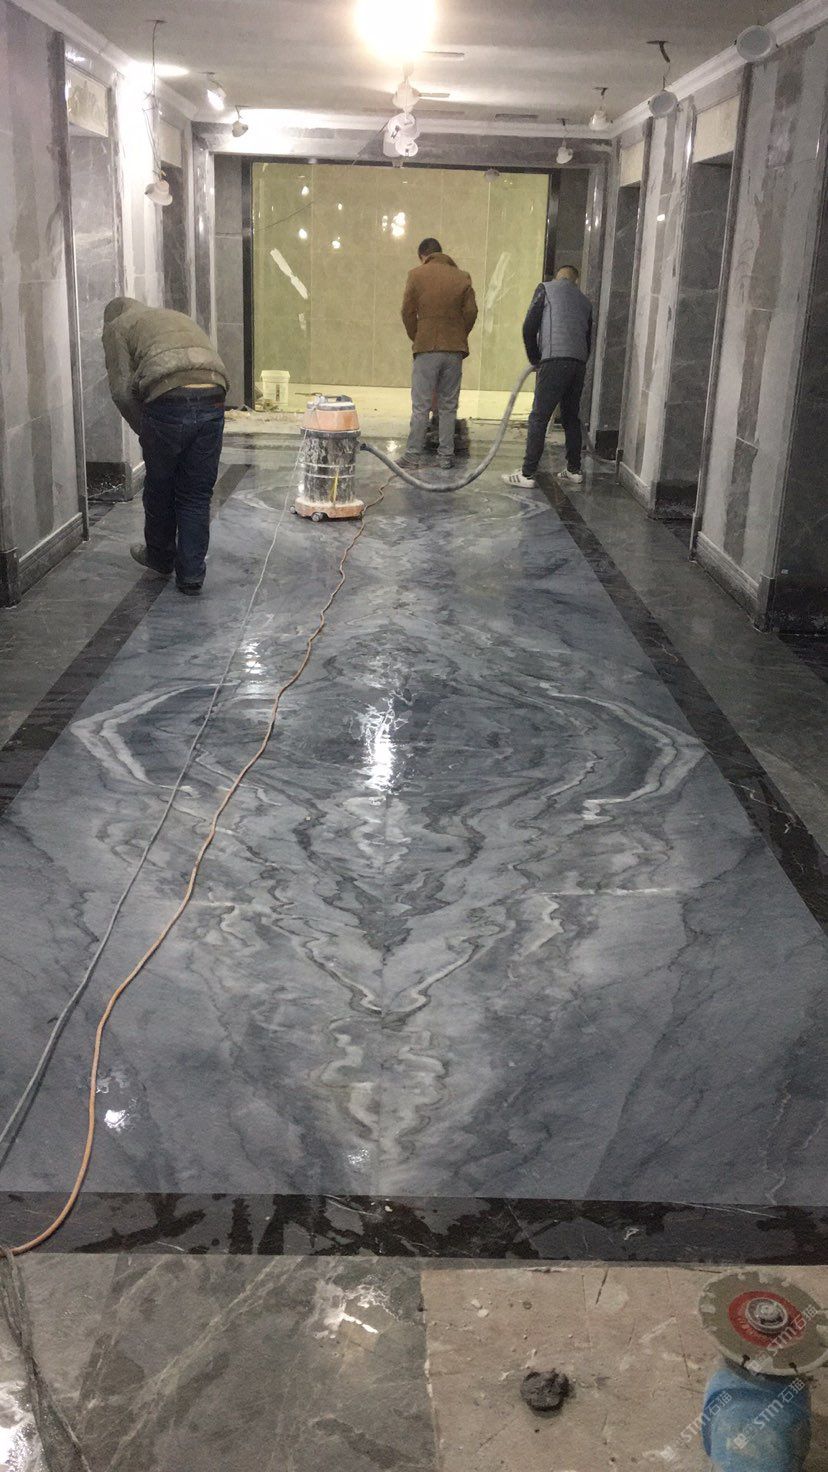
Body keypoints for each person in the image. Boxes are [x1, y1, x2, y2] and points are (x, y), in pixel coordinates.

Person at [102, 298, 229, 596]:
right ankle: (191, 575)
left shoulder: (116, 327)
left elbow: (121, 392)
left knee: (160, 485)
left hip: (169, 396)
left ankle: (159, 557)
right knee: (196, 493)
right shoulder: (168, 316)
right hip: (214, 392)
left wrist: (146, 429)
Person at [503, 265, 593, 490]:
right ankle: (574, 470)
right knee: (571, 417)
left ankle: (527, 473)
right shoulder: (585, 302)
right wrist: (579, 361)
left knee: (539, 417)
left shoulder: (545, 289)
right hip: (578, 363)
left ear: (557, 277)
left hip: (554, 360)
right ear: (575, 280)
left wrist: (536, 358)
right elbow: (588, 339)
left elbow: (528, 327)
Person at [398, 238, 478, 471]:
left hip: (427, 347)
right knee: (448, 405)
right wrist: (458, 334)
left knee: (421, 405)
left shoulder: (416, 274)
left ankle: (413, 456)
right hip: (454, 350)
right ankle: (445, 456)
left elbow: (407, 311)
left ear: (423, 256)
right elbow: (471, 312)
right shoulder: (462, 277)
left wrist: (417, 335)